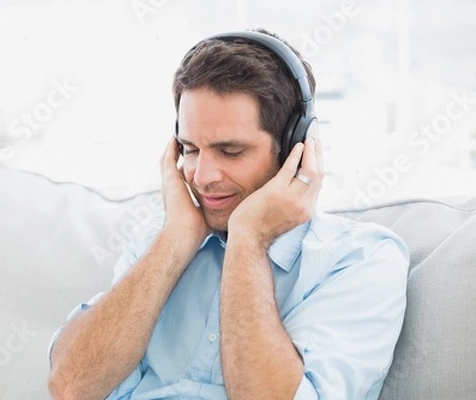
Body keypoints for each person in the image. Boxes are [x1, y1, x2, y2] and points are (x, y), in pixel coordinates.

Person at [47, 28, 409, 399]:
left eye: (230, 151)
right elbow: (72, 386)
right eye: (189, 149)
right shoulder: (162, 238)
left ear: (294, 149)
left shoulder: (359, 260)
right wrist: (175, 240)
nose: (202, 177)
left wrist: (248, 239)